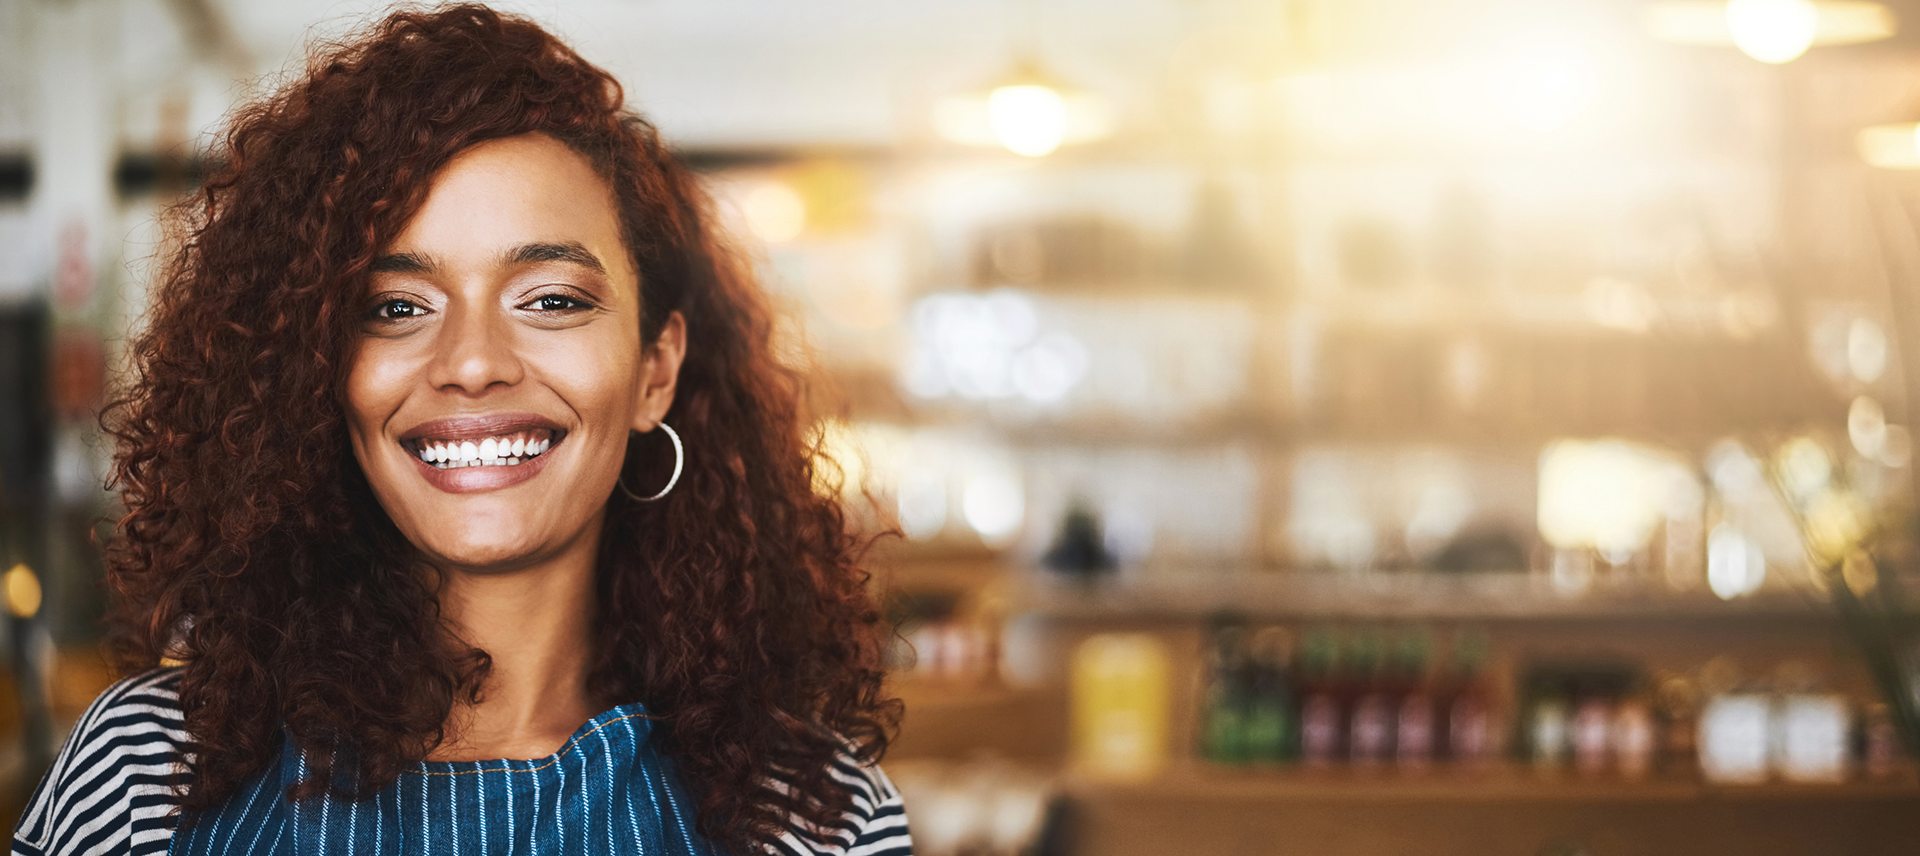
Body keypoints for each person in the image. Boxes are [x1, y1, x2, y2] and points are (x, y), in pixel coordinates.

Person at [11, 6, 908, 855]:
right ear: (315, 374)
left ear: (655, 372)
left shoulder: (814, 816)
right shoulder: (145, 774)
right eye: (397, 306)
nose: (472, 361)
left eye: (550, 300)